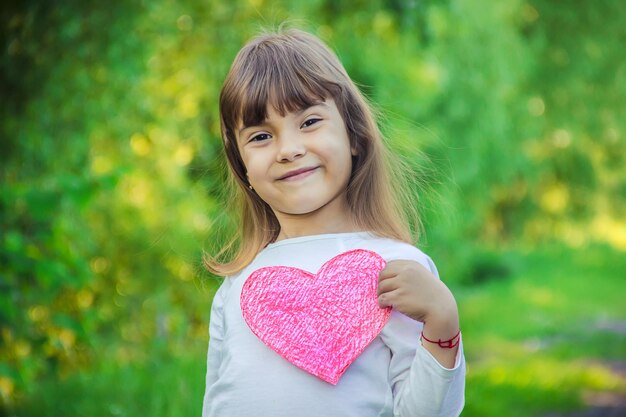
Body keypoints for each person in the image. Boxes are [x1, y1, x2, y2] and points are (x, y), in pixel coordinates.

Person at [202, 27, 465, 417]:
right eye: (260, 136)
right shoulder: (237, 283)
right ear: (243, 167)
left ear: (354, 136)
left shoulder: (396, 268)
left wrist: (442, 320)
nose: (289, 150)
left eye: (309, 122)